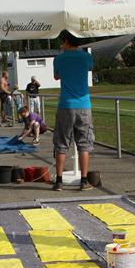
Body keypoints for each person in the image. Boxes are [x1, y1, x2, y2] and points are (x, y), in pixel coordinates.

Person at [52, 30, 94, 191]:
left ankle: (59, 181)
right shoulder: (86, 57)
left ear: (67, 42)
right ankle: (84, 180)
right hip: (84, 105)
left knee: (61, 143)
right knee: (84, 144)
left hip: (66, 104)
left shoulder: (59, 58)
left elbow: (56, 77)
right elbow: (89, 68)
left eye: (63, 41)